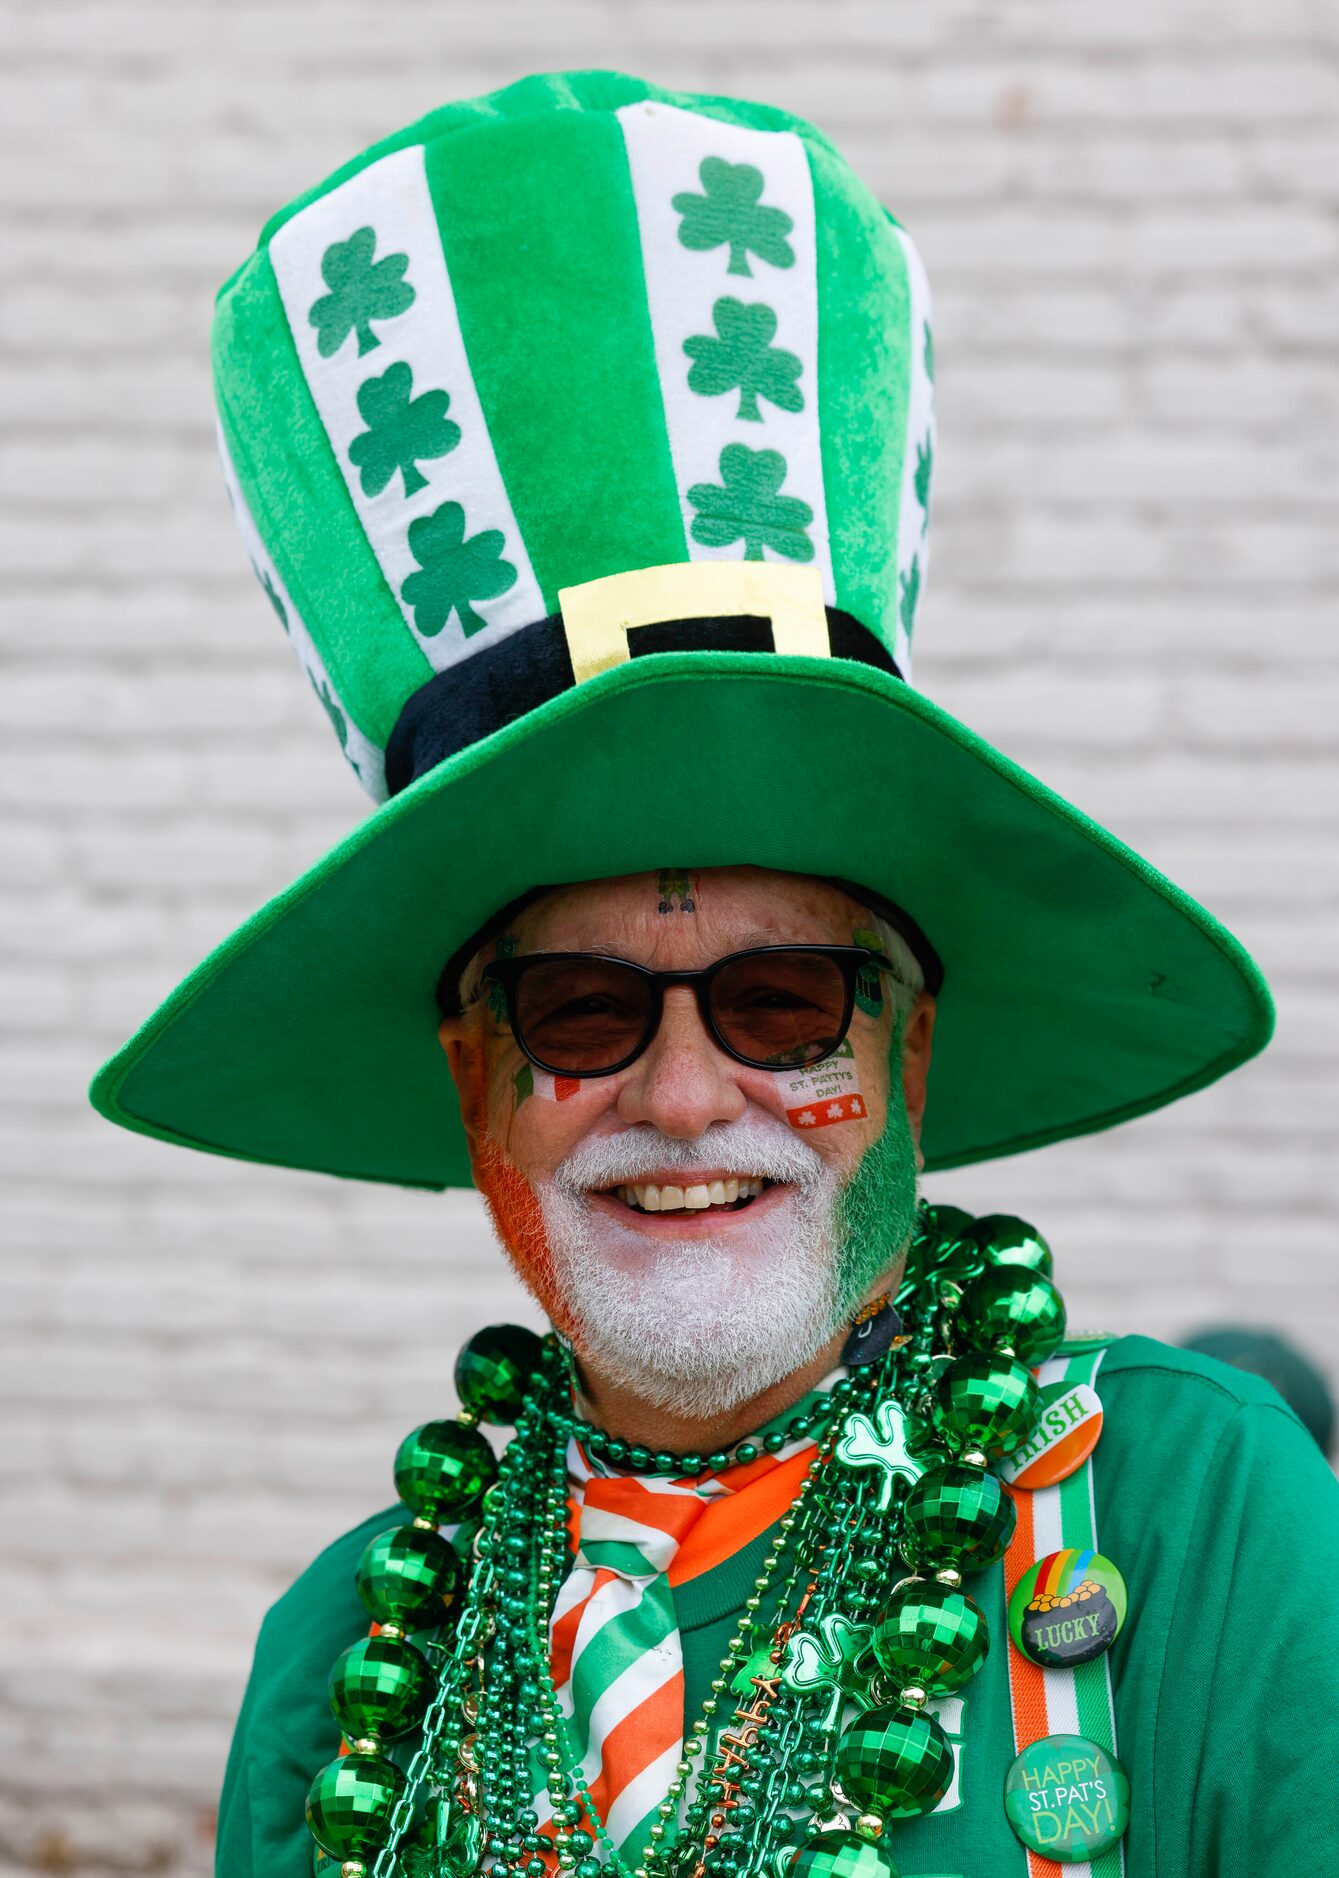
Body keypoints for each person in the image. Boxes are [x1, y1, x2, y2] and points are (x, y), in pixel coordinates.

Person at [88, 70, 1338, 1878]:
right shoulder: (354, 1662)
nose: (684, 1097)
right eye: (582, 1012)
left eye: (781, 1004)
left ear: (913, 1055)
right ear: (477, 1087)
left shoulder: (1189, 1516)